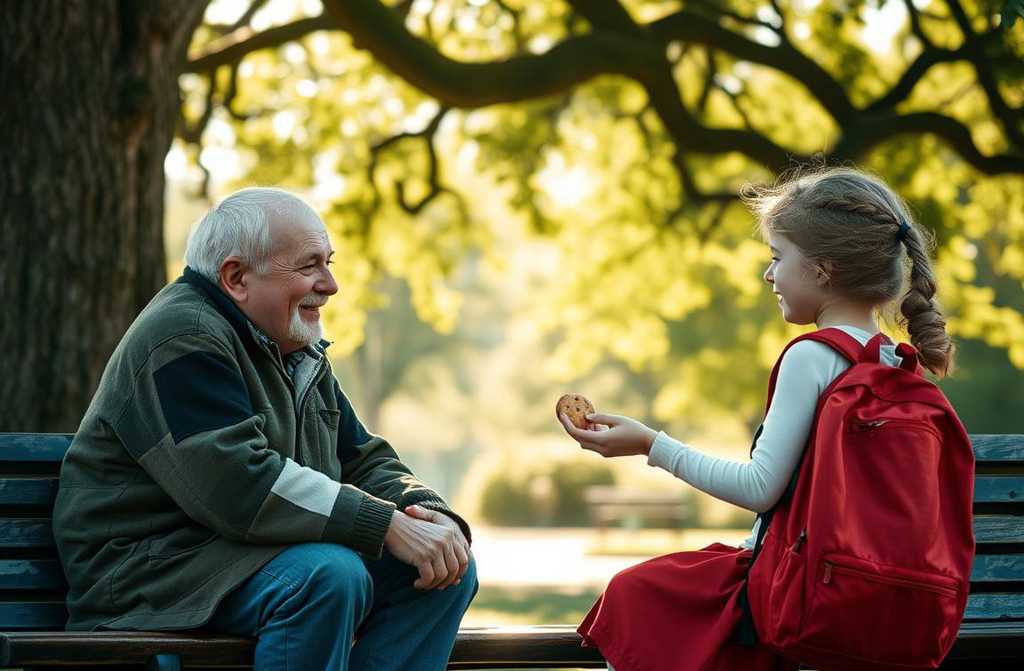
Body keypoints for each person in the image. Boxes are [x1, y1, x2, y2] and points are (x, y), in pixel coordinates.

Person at [53, 187, 478, 670]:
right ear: (235, 277)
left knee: (447, 571)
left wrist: (430, 517)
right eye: (309, 265)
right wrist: (385, 524)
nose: (332, 284)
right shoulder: (181, 337)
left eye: (329, 262)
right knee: (327, 577)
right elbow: (236, 483)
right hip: (151, 573)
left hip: (238, 558)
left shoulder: (292, 347)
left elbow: (363, 459)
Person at [559, 166, 956, 671]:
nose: (770, 275)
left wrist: (651, 446)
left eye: (777, 257)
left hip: (794, 592)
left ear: (822, 270)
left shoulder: (811, 356)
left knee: (632, 596)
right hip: (879, 598)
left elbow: (759, 488)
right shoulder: (896, 363)